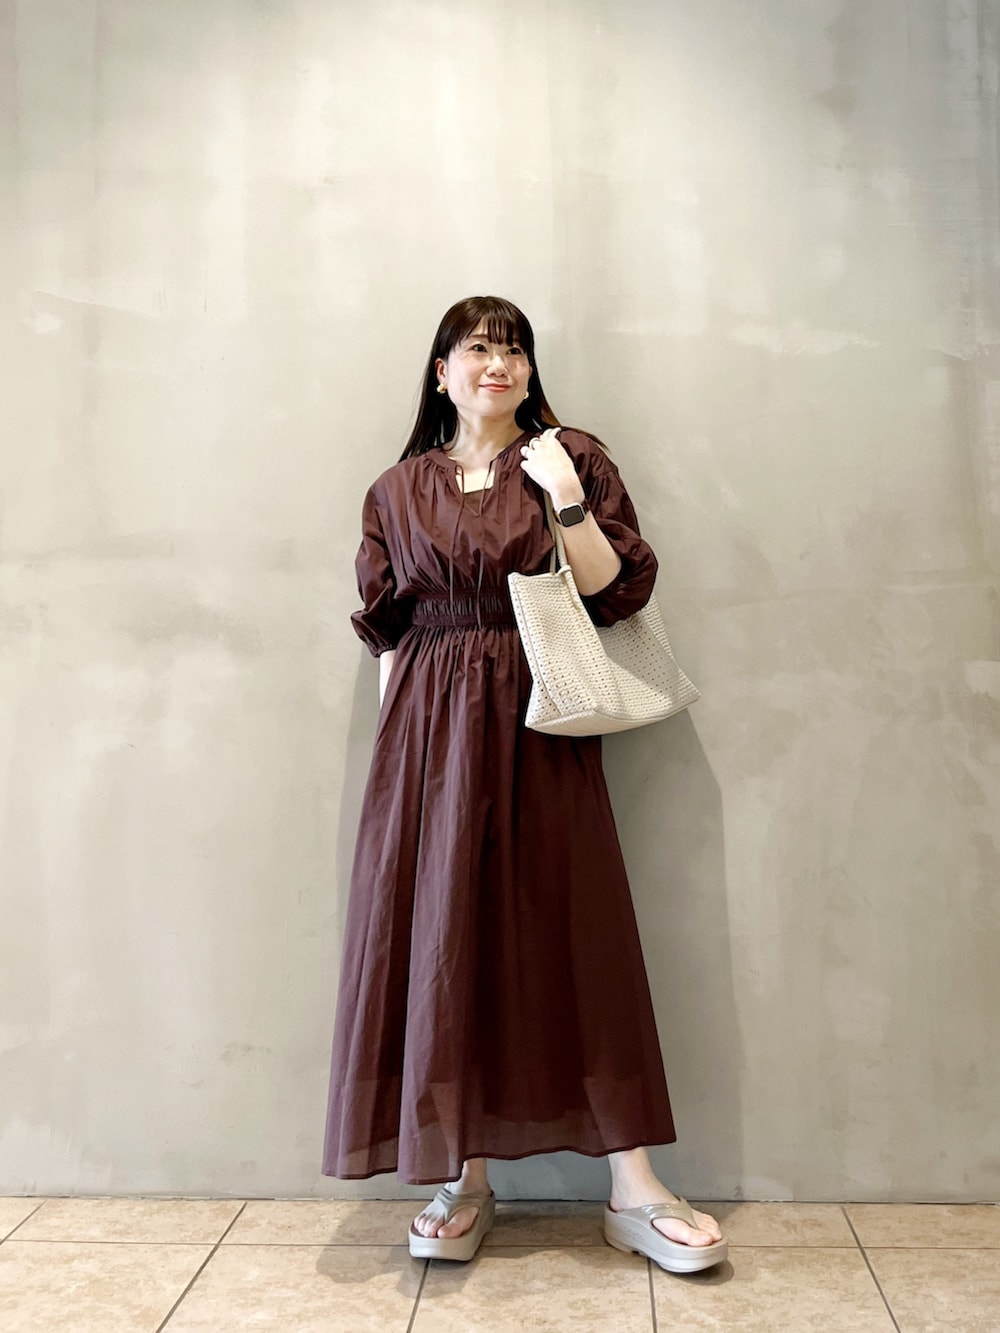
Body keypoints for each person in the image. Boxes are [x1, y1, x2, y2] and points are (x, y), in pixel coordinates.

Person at [322, 296, 727, 1274]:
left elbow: (612, 590)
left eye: (513, 349)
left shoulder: (567, 455)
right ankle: (460, 1176)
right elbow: (388, 633)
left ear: (530, 370)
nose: (497, 363)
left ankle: (634, 1187)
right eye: (476, 348)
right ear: (441, 371)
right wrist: (396, 770)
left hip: (542, 716)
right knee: (443, 937)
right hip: (426, 738)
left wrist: (568, 499)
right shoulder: (396, 489)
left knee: (577, 926)